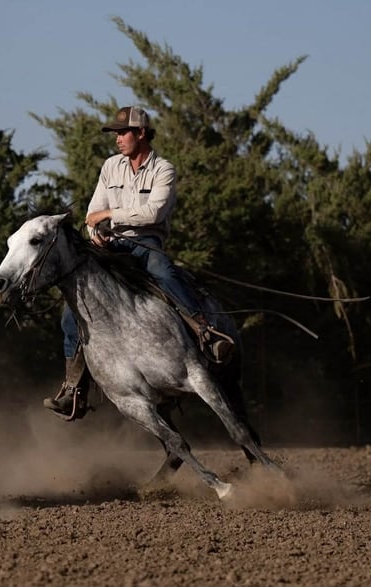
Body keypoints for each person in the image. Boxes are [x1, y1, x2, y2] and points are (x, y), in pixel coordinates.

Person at [43, 106, 234, 419]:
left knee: (164, 272)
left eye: (123, 133)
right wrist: (95, 234)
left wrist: (109, 215)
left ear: (141, 133)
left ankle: (206, 333)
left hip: (146, 243)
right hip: (112, 247)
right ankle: (73, 388)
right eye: (116, 134)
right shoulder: (110, 167)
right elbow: (92, 213)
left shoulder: (163, 169)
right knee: (72, 312)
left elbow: (153, 213)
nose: (118, 139)